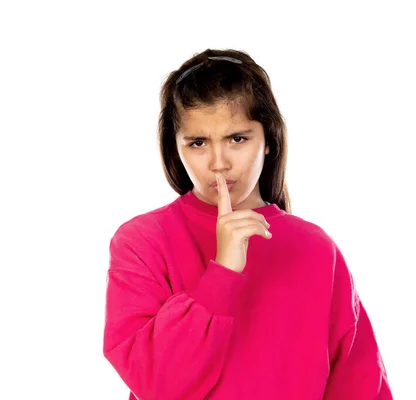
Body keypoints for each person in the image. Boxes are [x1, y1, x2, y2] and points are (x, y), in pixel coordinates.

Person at [103, 48, 392, 399]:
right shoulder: (142, 242)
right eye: (198, 143)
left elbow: (359, 385)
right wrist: (222, 273)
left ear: (268, 140)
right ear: (175, 148)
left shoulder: (315, 248)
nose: (218, 163)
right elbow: (156, 384)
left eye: (237, 139)